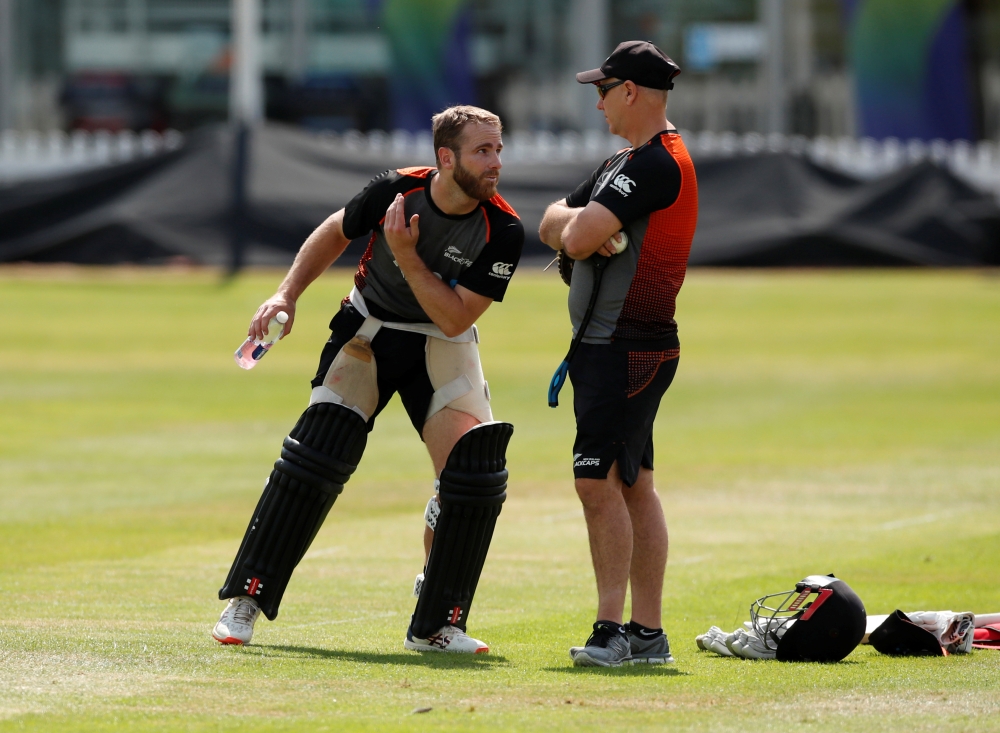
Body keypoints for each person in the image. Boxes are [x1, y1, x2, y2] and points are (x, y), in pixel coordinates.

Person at [212, 105, 524, 654]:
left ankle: (437, 623)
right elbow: (334, 232)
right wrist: (285, 294)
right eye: (483, 150)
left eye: (498, 149)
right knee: (317, 454)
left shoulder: (503, 229)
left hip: (442, 341)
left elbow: (455, 318)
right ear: (445, 158)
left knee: (472, 473)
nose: (496, 161)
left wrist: (405, 255)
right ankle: (247, 601)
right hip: (369, 331)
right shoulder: (395, 191)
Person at [538, 41, 698, 667]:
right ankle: (647, 635)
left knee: (595, 483)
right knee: (633, 484)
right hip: (620, 348)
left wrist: (576, 231)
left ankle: (614, 632)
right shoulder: (625, 163)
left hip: (623, 348)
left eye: (602, 90)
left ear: (629, 91)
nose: (598, 102)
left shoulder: (655, 164)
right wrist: (576, 230)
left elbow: (571, 232)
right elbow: (551, 220)